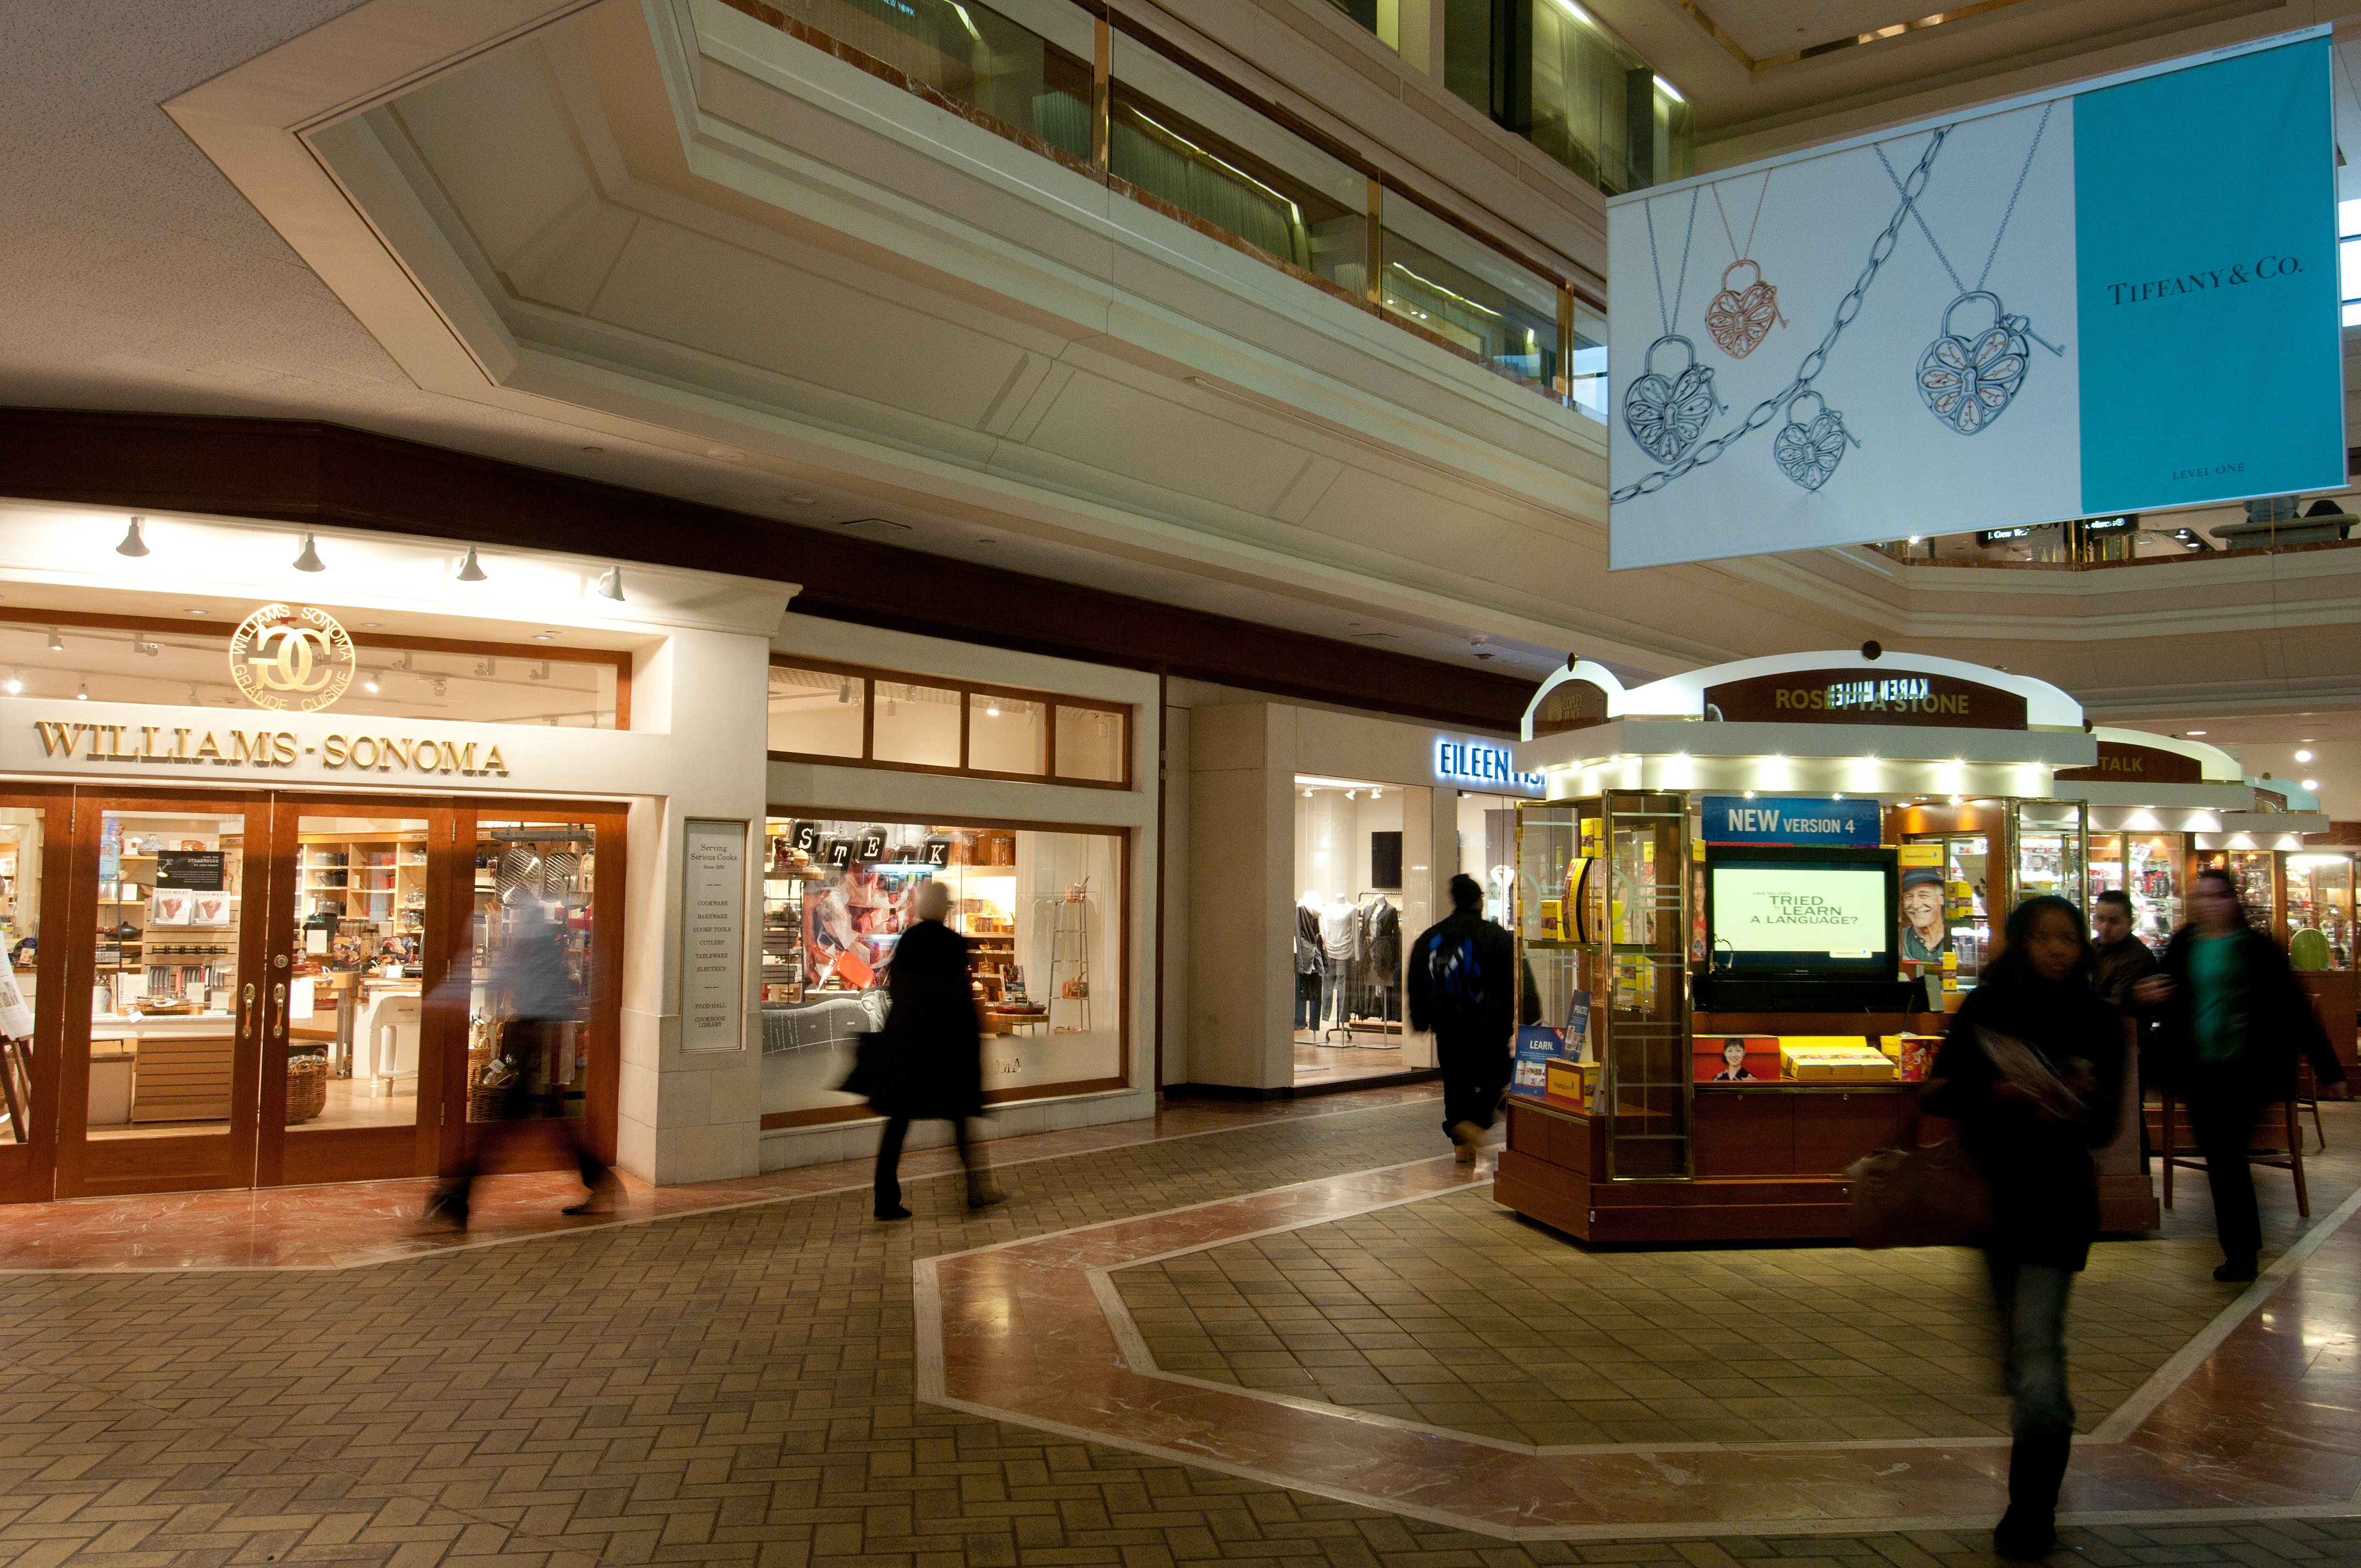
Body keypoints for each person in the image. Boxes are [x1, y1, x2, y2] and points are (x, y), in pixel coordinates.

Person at [1922, 896, 2124, 1561]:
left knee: (2038, 1352)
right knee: (2018, 1347)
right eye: (2043, 937)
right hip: (1993, 1200)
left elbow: (2104, 1126)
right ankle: (2038, 1423)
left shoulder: (2097, 1019)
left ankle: (2030, 1507)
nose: (2058, 949)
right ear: (2020, 942)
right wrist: (2002, 1092)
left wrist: (2063, 1101)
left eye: (2068, 937)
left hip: (2056, 1204)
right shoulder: (1989, 1008)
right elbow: (1940, 1089)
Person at [2133, 867, 2351, 1282]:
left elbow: (2295, 1008)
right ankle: (2242, 1247)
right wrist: (2144, 994)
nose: (2209, 905)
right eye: (2202, 898)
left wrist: (2330, 1070)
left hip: (2244, 1071)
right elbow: (2166, 997)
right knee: (2222, 1158)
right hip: (2199, 1070)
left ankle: (2242, 1251)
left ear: (2233, 902)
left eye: (2218, 896)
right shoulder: (2184, 945)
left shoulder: (2255, 948)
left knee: (2228, 1156)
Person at [424, 901, 618, 1227]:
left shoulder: (533, 950)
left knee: (506, 1127)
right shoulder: (543, 949)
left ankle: (455, 1201)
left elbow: (499, 981)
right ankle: (600, 1184)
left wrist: (439, 998)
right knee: (548, 1125)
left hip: (534, 1039)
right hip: (537, 1037)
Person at [872, 879, 1002, 1219]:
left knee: (898, 1122)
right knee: (959, 1119)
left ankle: (885, 1199)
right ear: (944, 910)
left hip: (908, 1047)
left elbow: (896, 992)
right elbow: (958, 1001)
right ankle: (976, 1189)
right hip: (944, 1049)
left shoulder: (907, 943)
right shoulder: (952, 944)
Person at [1407, 873, 1515, 1163]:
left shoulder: (1431, 937)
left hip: (1447, 1026)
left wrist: (1420, 1019)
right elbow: (1511, 983)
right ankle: (1473, 1124)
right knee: (1498, 1077)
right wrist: (1518, 1021)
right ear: (1479, 900)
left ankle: (1460, 1141)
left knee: (1456, 1084)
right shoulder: (1494, 936)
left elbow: (1416, 979)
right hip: (1487, 1026)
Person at [1900, 867, 1951, 963]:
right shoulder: (1899, 940)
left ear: (1942, 898)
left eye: (1924, 896)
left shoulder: (1954, 938)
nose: (1915, 905)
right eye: (1909, 897)